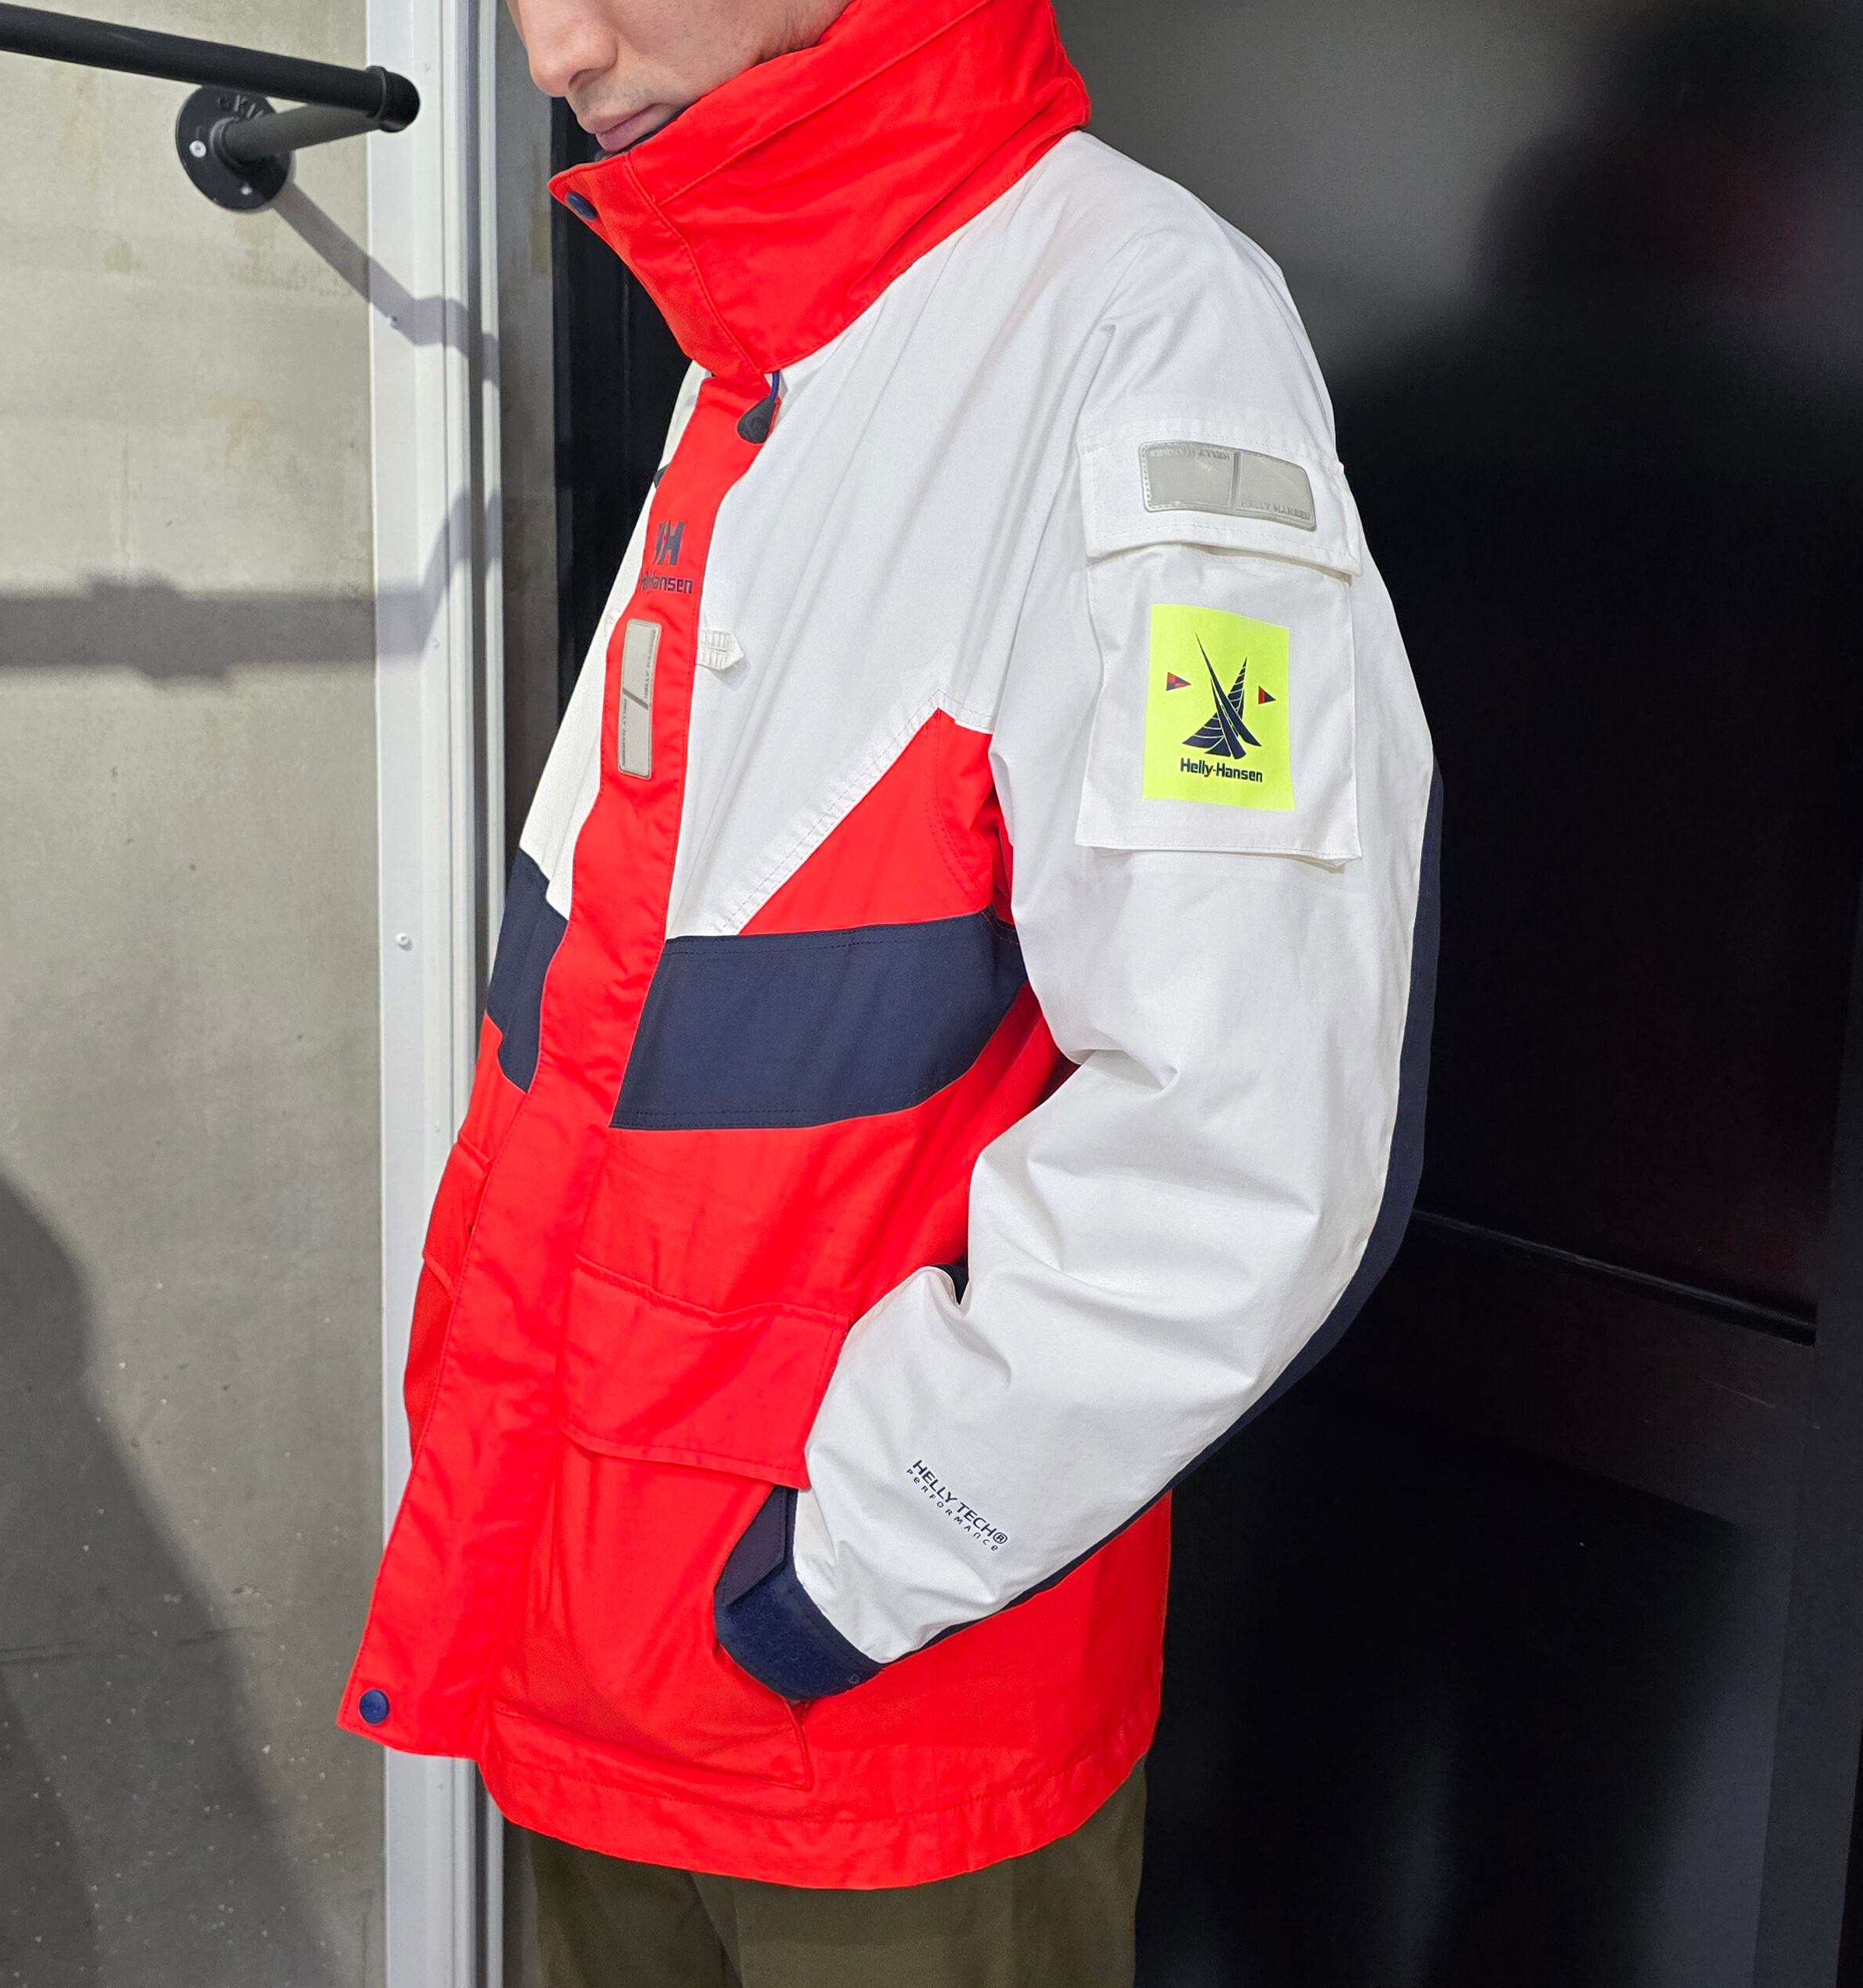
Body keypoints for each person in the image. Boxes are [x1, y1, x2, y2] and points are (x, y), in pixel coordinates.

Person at [340, 0, 1438, 1979]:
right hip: (592, 1653)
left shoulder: (1134, 317)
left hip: (868, 1719)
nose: (550, 51)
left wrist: (843, 1573)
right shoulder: (757, 327)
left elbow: (1241, 1136)